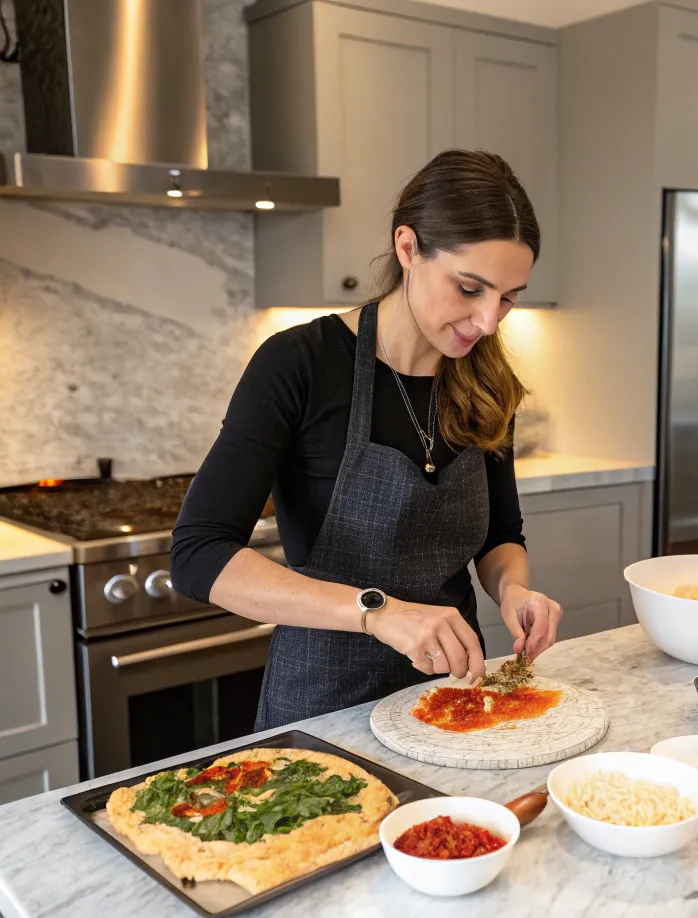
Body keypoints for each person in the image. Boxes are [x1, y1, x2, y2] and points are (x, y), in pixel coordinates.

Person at [171, 149, 562, 729]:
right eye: (469, 288)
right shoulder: (300, 363)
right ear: (408, 248)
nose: (487, 322)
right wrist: (375, 611)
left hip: (454, 699)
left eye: (507, 297)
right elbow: (199, 555)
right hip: (326, 707)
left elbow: (500, 534)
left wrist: (514, 590)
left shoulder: (487, 379)